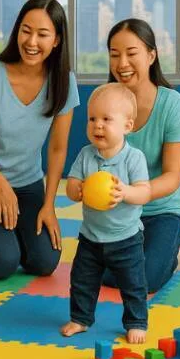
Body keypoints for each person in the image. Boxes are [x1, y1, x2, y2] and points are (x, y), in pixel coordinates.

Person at [0, 0, 79, 279]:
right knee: (2, 265)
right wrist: (1, 185)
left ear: (56, 40)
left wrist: (49, 205)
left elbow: (58, 149)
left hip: (27, 182)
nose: (32, 42)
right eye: (26, 30)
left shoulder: (64, 82)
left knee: (44, 262)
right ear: (17, 31)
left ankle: (1, 230)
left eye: (42, 34)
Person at [60, 83, 152, 344]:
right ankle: (80, 318)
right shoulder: (86, 155)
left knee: (133, 284)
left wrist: (125, 192)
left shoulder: (133, 158)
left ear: (127, 126)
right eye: (92, 119)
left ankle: (136, 321)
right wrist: (77, 189)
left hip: (126, 238)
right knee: (81, 281)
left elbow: (144, 192)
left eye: (106, 119)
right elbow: (71, 185)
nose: (97, 125)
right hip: (91, 237)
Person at [103, 18, 180, 293]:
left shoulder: (173, 104)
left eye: (131, 53)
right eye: (115, 55)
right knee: (96, 272)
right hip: (121, 212)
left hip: (163, 210)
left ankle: (169, 255)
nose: (122, 63)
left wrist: (133, 193)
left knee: (146, 280)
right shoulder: (106, 101)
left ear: (151, 55)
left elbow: (172, 177)